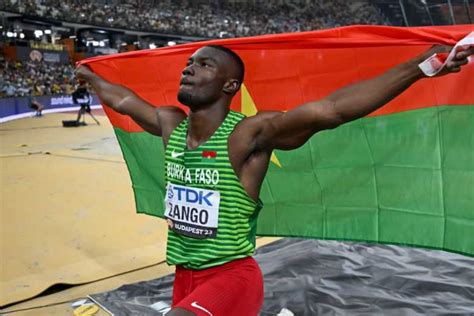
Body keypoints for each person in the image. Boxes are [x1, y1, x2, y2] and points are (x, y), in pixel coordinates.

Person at [76, 44, 473, 315]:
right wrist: (90, 77)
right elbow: (124, 100)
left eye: (204, 64)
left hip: (230, 276)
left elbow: (331, 110)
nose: (189, 67)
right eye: (189, 62)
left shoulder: (248, 134)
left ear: (230, 86)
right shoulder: (170, 124)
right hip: (184, 276)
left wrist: (419, 68)